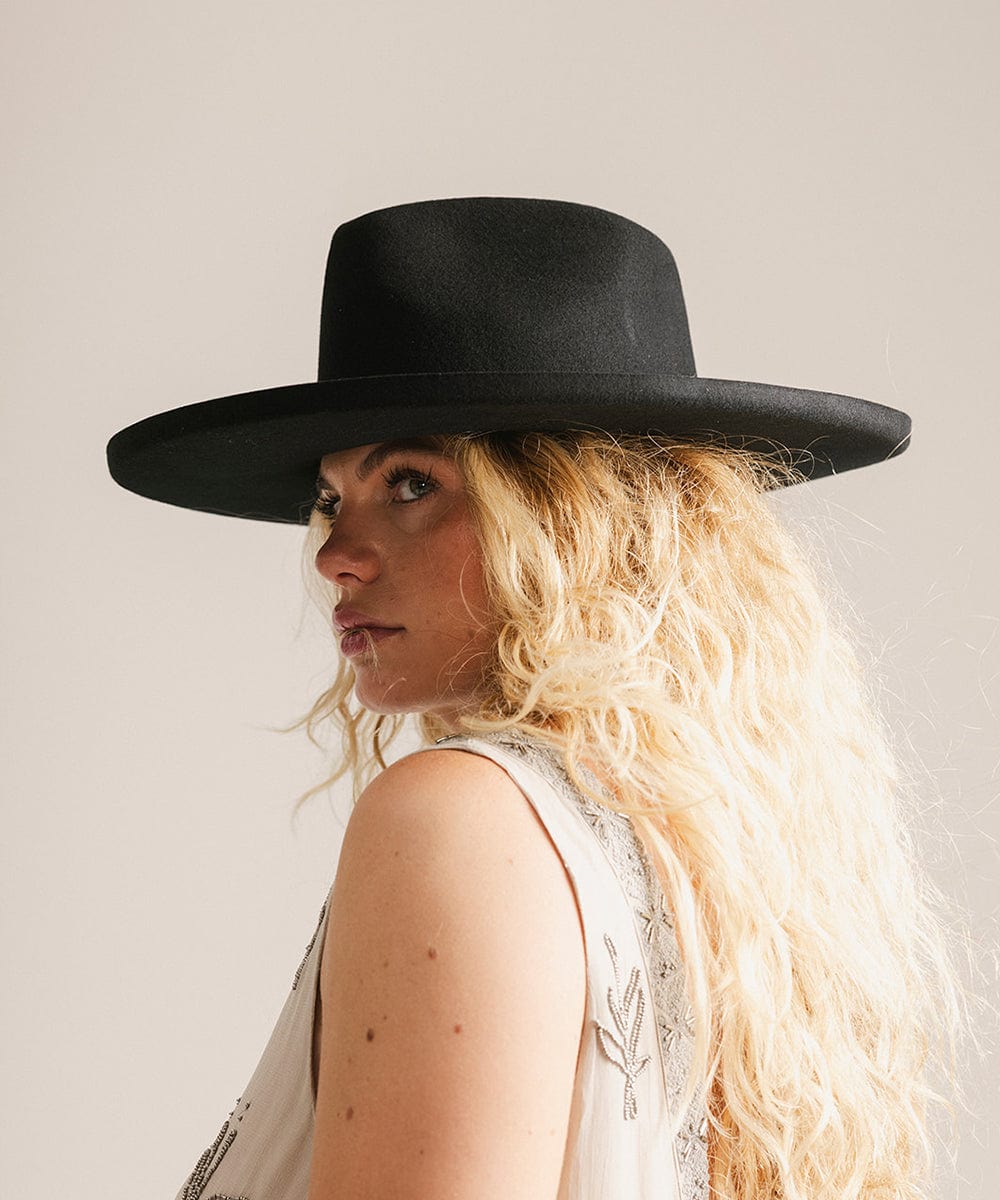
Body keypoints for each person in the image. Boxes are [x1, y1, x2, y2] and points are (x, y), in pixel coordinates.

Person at [107, 197, 964, 1200]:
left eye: (411, 484)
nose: (335, 556)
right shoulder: (707, 864)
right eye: (331, 499)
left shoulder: (459, 817)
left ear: (576, 517)